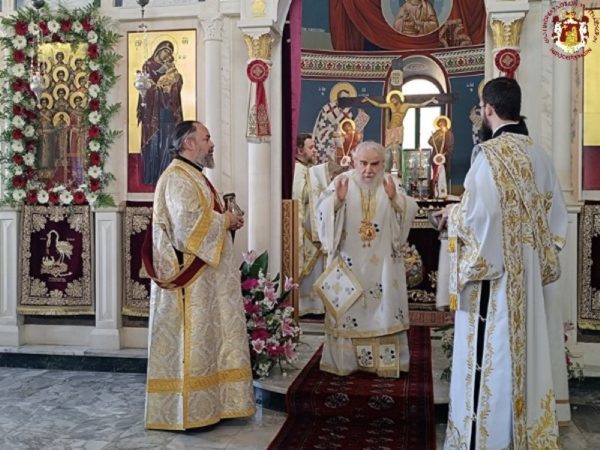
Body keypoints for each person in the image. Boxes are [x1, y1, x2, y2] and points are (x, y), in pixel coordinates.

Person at [441, 77, 568, 449]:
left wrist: (452, 216)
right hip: (528, 279)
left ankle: (487, 439)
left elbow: (479, 217)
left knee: (493, 353)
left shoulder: (488, 156)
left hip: (494, 282)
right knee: (526, 355)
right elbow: (555, 221)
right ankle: (524, 434)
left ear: (489, 109)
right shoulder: (539, 155)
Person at [142, 120, 255, 430]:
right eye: (206, 138)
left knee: (211, 341)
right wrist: (225, 220)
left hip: (208, 279)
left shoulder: (194, 175)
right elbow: (187, 228)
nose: (211, 144)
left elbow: (205, 218)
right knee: (193, 343)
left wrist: (228, 219)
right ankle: (191, 412)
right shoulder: (177, 178)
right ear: (188, 144)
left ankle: (218, 404)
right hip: (190, 283)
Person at [315, 141, 418, 377]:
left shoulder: (390, 183)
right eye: (363, 163)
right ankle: (347, 362)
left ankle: (382, 363)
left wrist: (395, 198)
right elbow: (321, 211)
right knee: (348, 310)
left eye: (375, 164)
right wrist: (337, 201)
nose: (368, 170)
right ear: (354, 161)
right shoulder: (341, 181)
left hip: (382, 266)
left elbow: (410, 209)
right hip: (349, 263)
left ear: (383, 164)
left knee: (383, 309)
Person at [137, 40, 183, 185]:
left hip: (167, 109)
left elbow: (176, 83)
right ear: (158, 50)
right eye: (165, 51)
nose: (167, 55)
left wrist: (175, 81)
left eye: (170, 53)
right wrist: (159, 77)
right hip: (152, 113)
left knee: (168, 139)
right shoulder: (148, 66)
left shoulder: (170, 67)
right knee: (154, 141)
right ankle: (151, 176)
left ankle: (166, 175)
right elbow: (145, 87)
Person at [292, 134, 324, 316]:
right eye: (311, 147)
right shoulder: (297, 170)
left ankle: (317, 304)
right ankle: (304, 305)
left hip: (314, 225)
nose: (315, 151)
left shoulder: (309, 169)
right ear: (299, 150)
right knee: (307, 266)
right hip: (304, 227)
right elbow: (299, 196)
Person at [428, 115, 454, 198]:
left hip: (444, 158)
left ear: (446, 124)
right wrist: (437, 136)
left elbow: (450, 146)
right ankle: (433, 192)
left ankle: (442, 193)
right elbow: (430, 141)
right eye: (440, 123)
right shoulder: (437, 133)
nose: (441, 124)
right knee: (434, 174)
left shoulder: (449, 134)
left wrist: (443, 156)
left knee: (443, 174)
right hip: (435, 157)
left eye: (443, 123)